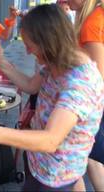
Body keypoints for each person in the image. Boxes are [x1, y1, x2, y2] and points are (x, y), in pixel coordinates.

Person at [0, 4, 104, 191]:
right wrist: (2, 63)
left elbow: (50, 140)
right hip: (39, 164)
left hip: (57, 176)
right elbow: (31, 85)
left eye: (30, 46)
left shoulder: (80, 83)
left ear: (49, 42)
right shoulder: (55, 61)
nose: (28, 52)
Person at [67, 0, 104, 191]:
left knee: (74, 163)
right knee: (90, 159)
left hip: (90, 105)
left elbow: (96, 75)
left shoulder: (92, 23)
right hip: (93, 104)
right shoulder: (95, 17)